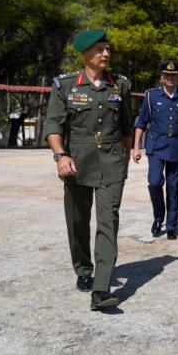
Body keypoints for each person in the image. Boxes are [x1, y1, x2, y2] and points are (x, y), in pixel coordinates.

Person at [44, 28, 133, 311]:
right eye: (99, 50)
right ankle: (84, 269)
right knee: (78, 221)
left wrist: (125, 160)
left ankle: (101, 288)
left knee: (109, 223)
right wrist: (60, 155)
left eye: (107, 49)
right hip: (77, 161)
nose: (106, 54)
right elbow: (54, 127)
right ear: (84, 54)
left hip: (112, 160)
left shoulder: (120, 85)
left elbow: (126, 128)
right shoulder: (66, 85)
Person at [132, 60, 178, 241]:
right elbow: (141, 122)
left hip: (177, 146)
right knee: (154, 182)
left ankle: (171, 226)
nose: (170, 78)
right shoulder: (151, 96)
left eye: (174, 75)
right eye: (167, 75)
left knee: (173, 186)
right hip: (156, 145)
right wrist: (136, 147)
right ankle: (158, 216)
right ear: (161, 77)